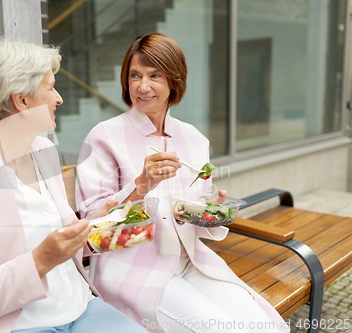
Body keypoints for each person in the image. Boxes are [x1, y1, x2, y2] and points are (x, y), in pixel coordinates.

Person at [0, 39, 149, 333]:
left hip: (80, 309)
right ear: (22, 101)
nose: (59, 99)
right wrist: (40, 260)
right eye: (50, 87)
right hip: (17, 323)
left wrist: (96, 224)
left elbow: (65, 238)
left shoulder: (43, 151)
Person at [75, 33, 289, 333]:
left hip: (191, 262)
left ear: (174, 80)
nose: (142, 86)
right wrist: (141, 186)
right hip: (134, 271)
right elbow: (93, 234)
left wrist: (209, 211)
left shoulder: (193, 139)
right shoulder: (104, 137)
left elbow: (194, 214)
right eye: (134, 75)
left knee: (266, 327)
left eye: (154, 76)